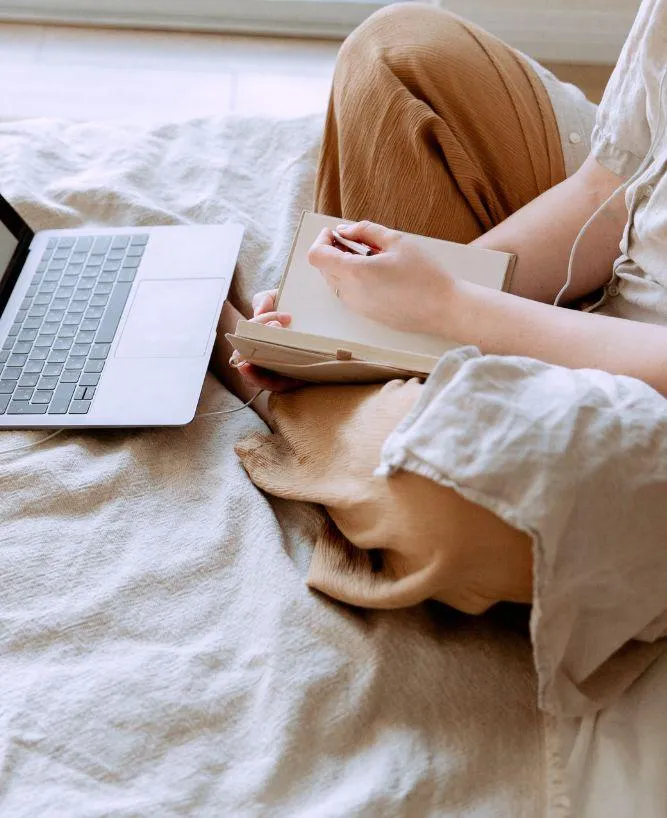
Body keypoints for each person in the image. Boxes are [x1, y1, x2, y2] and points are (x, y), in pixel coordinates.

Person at [212, 0, 667, 614]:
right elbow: (615, 193)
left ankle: (308, 405)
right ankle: (353, 392)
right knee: (395, 52)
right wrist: (381, 313)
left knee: (464, 487)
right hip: (630, 287)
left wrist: (447, 306)